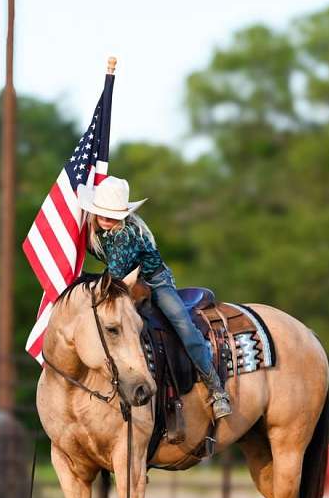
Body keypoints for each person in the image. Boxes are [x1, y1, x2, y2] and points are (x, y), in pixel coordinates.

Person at [77, 175, 232, 420]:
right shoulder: (96, 231)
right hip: (124, 285)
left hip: (154, 282)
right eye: (102, 213)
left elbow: (115, 276)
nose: (107, 219)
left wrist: (83, 280)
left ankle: (216, 389)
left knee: (183, 325)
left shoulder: (125, 235)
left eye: (114, 215)